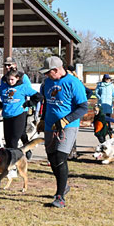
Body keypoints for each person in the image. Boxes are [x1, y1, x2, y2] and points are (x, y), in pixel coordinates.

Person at [37, 56, 88, 208]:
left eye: (48, 72)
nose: (46, 75)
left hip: (68, 126)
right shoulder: (47, 83)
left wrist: (66, 120)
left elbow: (83, 107)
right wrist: (42, 119)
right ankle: (63, 185)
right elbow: (47, 102)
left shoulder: (73, 83)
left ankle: (60, 197)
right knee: (52, 158)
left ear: (56, 70)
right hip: (50, 125)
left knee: (60, 157)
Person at [0, 69, 43, 149]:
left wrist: (28, 104)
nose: (10, 81)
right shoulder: (3, 87)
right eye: (8, 79)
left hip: (19, 115)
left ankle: (14, 159)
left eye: (12, 79)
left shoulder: (23, 87)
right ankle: (12, 157)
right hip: (7, 116)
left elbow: (38, 97)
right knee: (8, 141)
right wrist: (1, 105)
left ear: (17, 78)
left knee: (13, 141)